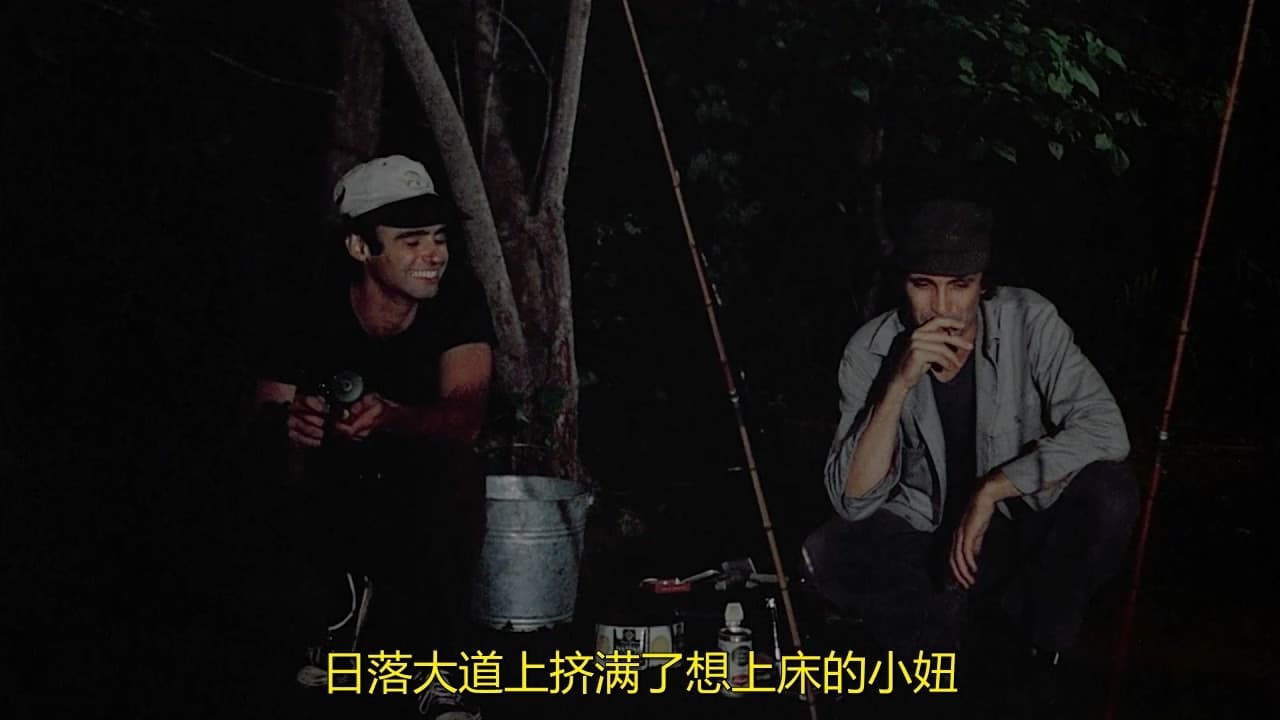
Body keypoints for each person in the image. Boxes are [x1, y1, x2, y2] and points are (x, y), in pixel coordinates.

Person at [800, 198, 1138, 702]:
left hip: (1014, 525)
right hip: (928, 537)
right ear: (903, 284)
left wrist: (993, 489)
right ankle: (942, 651)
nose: (942, 307)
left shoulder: (1029, 319)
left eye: (960, 285)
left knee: (1109, 492)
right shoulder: (870, 349)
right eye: (923, 284)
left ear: (983, 284)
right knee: (826, 552)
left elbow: (1108, 430)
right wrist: (897, 385)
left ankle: (1038, 648)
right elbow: (852, 500)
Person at [249, 154, 495, 719]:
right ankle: (324, 620)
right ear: (360, 247)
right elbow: (268, 402)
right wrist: (294, 420)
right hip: (333, 480)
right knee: (266, 452)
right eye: (411, 241)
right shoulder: (307, 301)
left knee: (458, 470)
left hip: (415, 482)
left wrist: (392, 417)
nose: (434, 254)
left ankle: (440, 670)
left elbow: (466, 415)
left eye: (438, 238)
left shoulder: (456, 300)